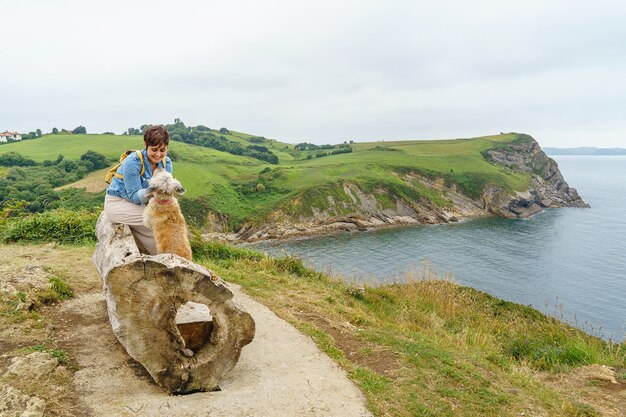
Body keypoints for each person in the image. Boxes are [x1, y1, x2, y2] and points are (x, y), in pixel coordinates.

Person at [104, 125, 173, 254]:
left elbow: (165, 193)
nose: (158, 154)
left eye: (162, 150)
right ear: (145, 144)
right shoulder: (133, 162)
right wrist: (154, 189)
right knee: (157, 222)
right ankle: (162, 258)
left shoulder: (166, 163)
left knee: (169, 221)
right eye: (154, 150)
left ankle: (162, 257)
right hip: (118, 203)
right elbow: (134, 197)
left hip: (144, 203)